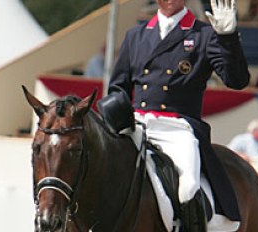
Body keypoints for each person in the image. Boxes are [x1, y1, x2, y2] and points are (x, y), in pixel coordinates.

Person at [98, 0, 250, 231]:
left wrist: (227, 38)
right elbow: (119, 86)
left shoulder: (204, 34)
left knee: (188, 186)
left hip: (178, 127)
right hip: (137, 125)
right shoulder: (136, 35)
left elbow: (236, 80)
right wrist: (116, 115)